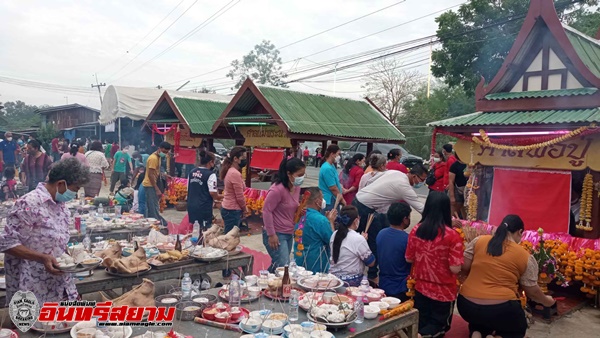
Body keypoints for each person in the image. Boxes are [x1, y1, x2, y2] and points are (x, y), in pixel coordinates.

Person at [0, 158, 90, 305]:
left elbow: (54, 239)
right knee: (35, 326)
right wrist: (42, 258)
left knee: (63, 324)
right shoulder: (28, 203)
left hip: (59, 283)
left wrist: (71, 256)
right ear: (61, 184)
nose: (75, 193)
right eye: (75, 189)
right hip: (31, 285)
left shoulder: (60, 205)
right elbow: (7, 243)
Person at [458, 215, 556, 338]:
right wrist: (547, 301)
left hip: (466, 305)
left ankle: (477, 333)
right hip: (500, 309)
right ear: (520, 232)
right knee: (516, 329)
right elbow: (532, 292)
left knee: (480, 319)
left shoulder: (479, 241)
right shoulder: (525, 256)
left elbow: (464, 266)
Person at [354, 164, 427, 285]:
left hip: (361, 200)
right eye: (422, 180)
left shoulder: (396, 173)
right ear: (414, 176)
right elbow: (421, 208)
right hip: (365, 208)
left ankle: (366, 271)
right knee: (370, 242)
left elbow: (371, 179)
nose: (422, 183)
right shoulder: (404, 187)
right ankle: (371, 275)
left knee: (362, 239)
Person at [405, 191, 464, 338]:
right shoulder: (453, 235)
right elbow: (455, 268)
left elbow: (409, 259)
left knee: (422, 323)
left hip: (420, 287)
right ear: (446, 209)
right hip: (443, 292)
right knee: (438, 327)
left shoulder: (416, 230)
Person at [262, 158, 306, 272]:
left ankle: (266, 281)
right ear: (289, 174)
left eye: (303, 174)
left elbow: (291, 207)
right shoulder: (277, 190)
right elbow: (266, 211)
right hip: (276, 233)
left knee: (279, 264)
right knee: (284, 266)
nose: (302, 177)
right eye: (299, 175)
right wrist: (271, 234)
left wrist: (299, 211)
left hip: (288, 232)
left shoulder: (296, 188)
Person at [329, 205, 376, 287]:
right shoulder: (358, 239)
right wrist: (363, 241)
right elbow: (371, 263)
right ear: (356, 220)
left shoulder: (334, 234)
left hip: (333, 280)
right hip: (351, 283)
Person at [294, 187, 337, 273]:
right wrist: (331, 222)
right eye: (322, 197)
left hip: (299, 262)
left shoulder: (299, 215)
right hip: (316, 266)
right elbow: (332, 241)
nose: (323, 200)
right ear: (317, 201)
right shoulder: (321, 220)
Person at [376, 202, 412, 302]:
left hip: (383, 284)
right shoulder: (407, 239)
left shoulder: (381, 234)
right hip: (401, 287)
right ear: (405, 219)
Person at [188, 150, 221, 231]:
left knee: (195, 229)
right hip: (204, 207)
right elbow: (213, 192)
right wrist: (221, 197)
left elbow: (188, 188)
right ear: (210, 162)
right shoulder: (211, 174)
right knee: (204, 230)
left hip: (191, 206)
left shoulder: (192, 172)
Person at [142, 142, 171, 225]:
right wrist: (157, 188)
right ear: (160, 148)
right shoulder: (153, 158)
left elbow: (156, 171)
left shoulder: (158, 158)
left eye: (166, 152)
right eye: (164, 152)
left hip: (152, 184)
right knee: (153, 207)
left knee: (153, 206)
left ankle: (157, 222)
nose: (165, 154)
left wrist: (165, 175)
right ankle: (158, 223)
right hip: (150, 185)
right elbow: (150, 174)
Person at [318, 144, 345, 212]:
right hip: (329, 201)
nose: (339, 157)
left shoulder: (331, 165)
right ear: (332, 154)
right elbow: (333, 188)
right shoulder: (327, 168)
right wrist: (342, 200)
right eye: (338, 154)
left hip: (334, 199)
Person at [448, 153, 468, 219]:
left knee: (466, 215)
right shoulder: (454, 166)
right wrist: (452, 196)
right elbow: (451, 181)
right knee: (453, 214)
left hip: (467, 192)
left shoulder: (469, 164)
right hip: (457, 191)